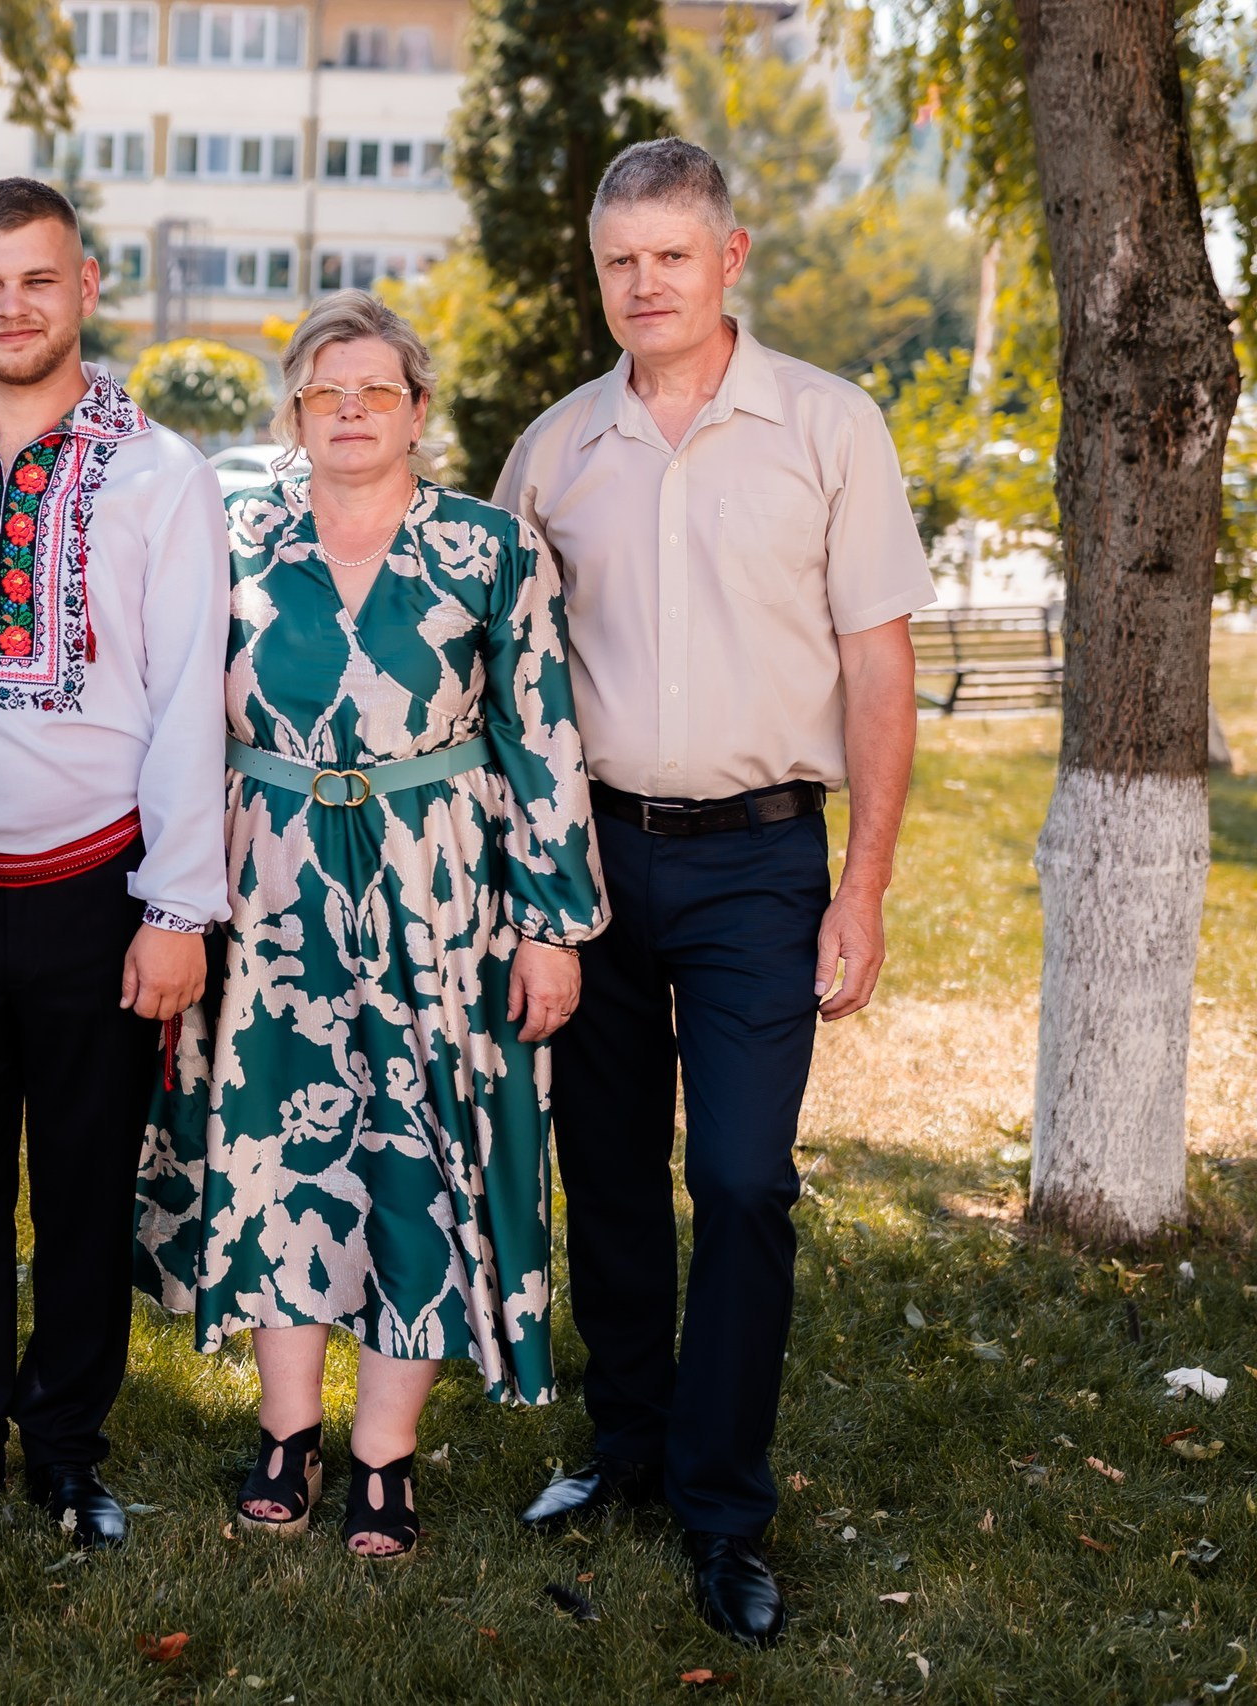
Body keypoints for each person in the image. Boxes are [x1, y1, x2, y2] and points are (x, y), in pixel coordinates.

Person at [494, 139, 932, 1644]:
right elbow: (507, 682)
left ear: (730, 258)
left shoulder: (827, 425)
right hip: (595, 857)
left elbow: (881, 665)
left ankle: (724, 1503)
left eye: (672, 256)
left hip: (760, 859)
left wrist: (859, 888)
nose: (644, 285)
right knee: (603, 1168)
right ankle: (628, 1449)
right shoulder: (554, 449)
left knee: (742, 1180)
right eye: (621, 260)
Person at [136, 291, 607, 1559]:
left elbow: (542, 738)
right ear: (292, 411)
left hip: (437, 892)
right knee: (276, 1151)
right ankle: (285, 1430)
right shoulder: (230, 536)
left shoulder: (492, 549)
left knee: (416, 1145)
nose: (349, 413)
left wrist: (552, 923)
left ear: (417, 409)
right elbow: (171, 715)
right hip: (267, 885)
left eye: (374, 393)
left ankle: (384, 1453)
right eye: (323, 394)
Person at [0, 177, 230, 1550]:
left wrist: (180, 905)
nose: (12, 305)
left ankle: (69, 1446)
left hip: (98, 888)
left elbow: (194, 693)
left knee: (82, 1182)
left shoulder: (160, 474)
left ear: (85, 287)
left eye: (38, 278)